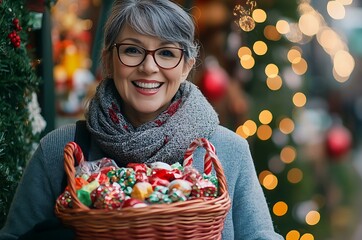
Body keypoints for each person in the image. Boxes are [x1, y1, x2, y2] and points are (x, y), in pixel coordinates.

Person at [0, 0, 282, 239]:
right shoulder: (60, 150)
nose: (149, 67)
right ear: (109, 60)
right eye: (132, 50)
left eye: (167, 53)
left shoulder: (227, 151)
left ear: (186, 66)